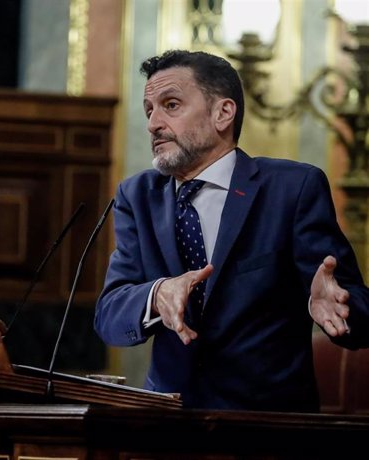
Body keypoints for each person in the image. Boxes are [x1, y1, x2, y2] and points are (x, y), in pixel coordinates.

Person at [94, 49, 369, 412]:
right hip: (167, 424)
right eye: (149, 110)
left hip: (269, 428)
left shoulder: (292, 189)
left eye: (171, 105)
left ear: (223, 113)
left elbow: (359, 309)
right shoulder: (137, 196)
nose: (153, 124)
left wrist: (339, 307)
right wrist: (157, 294)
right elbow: (109, 316)